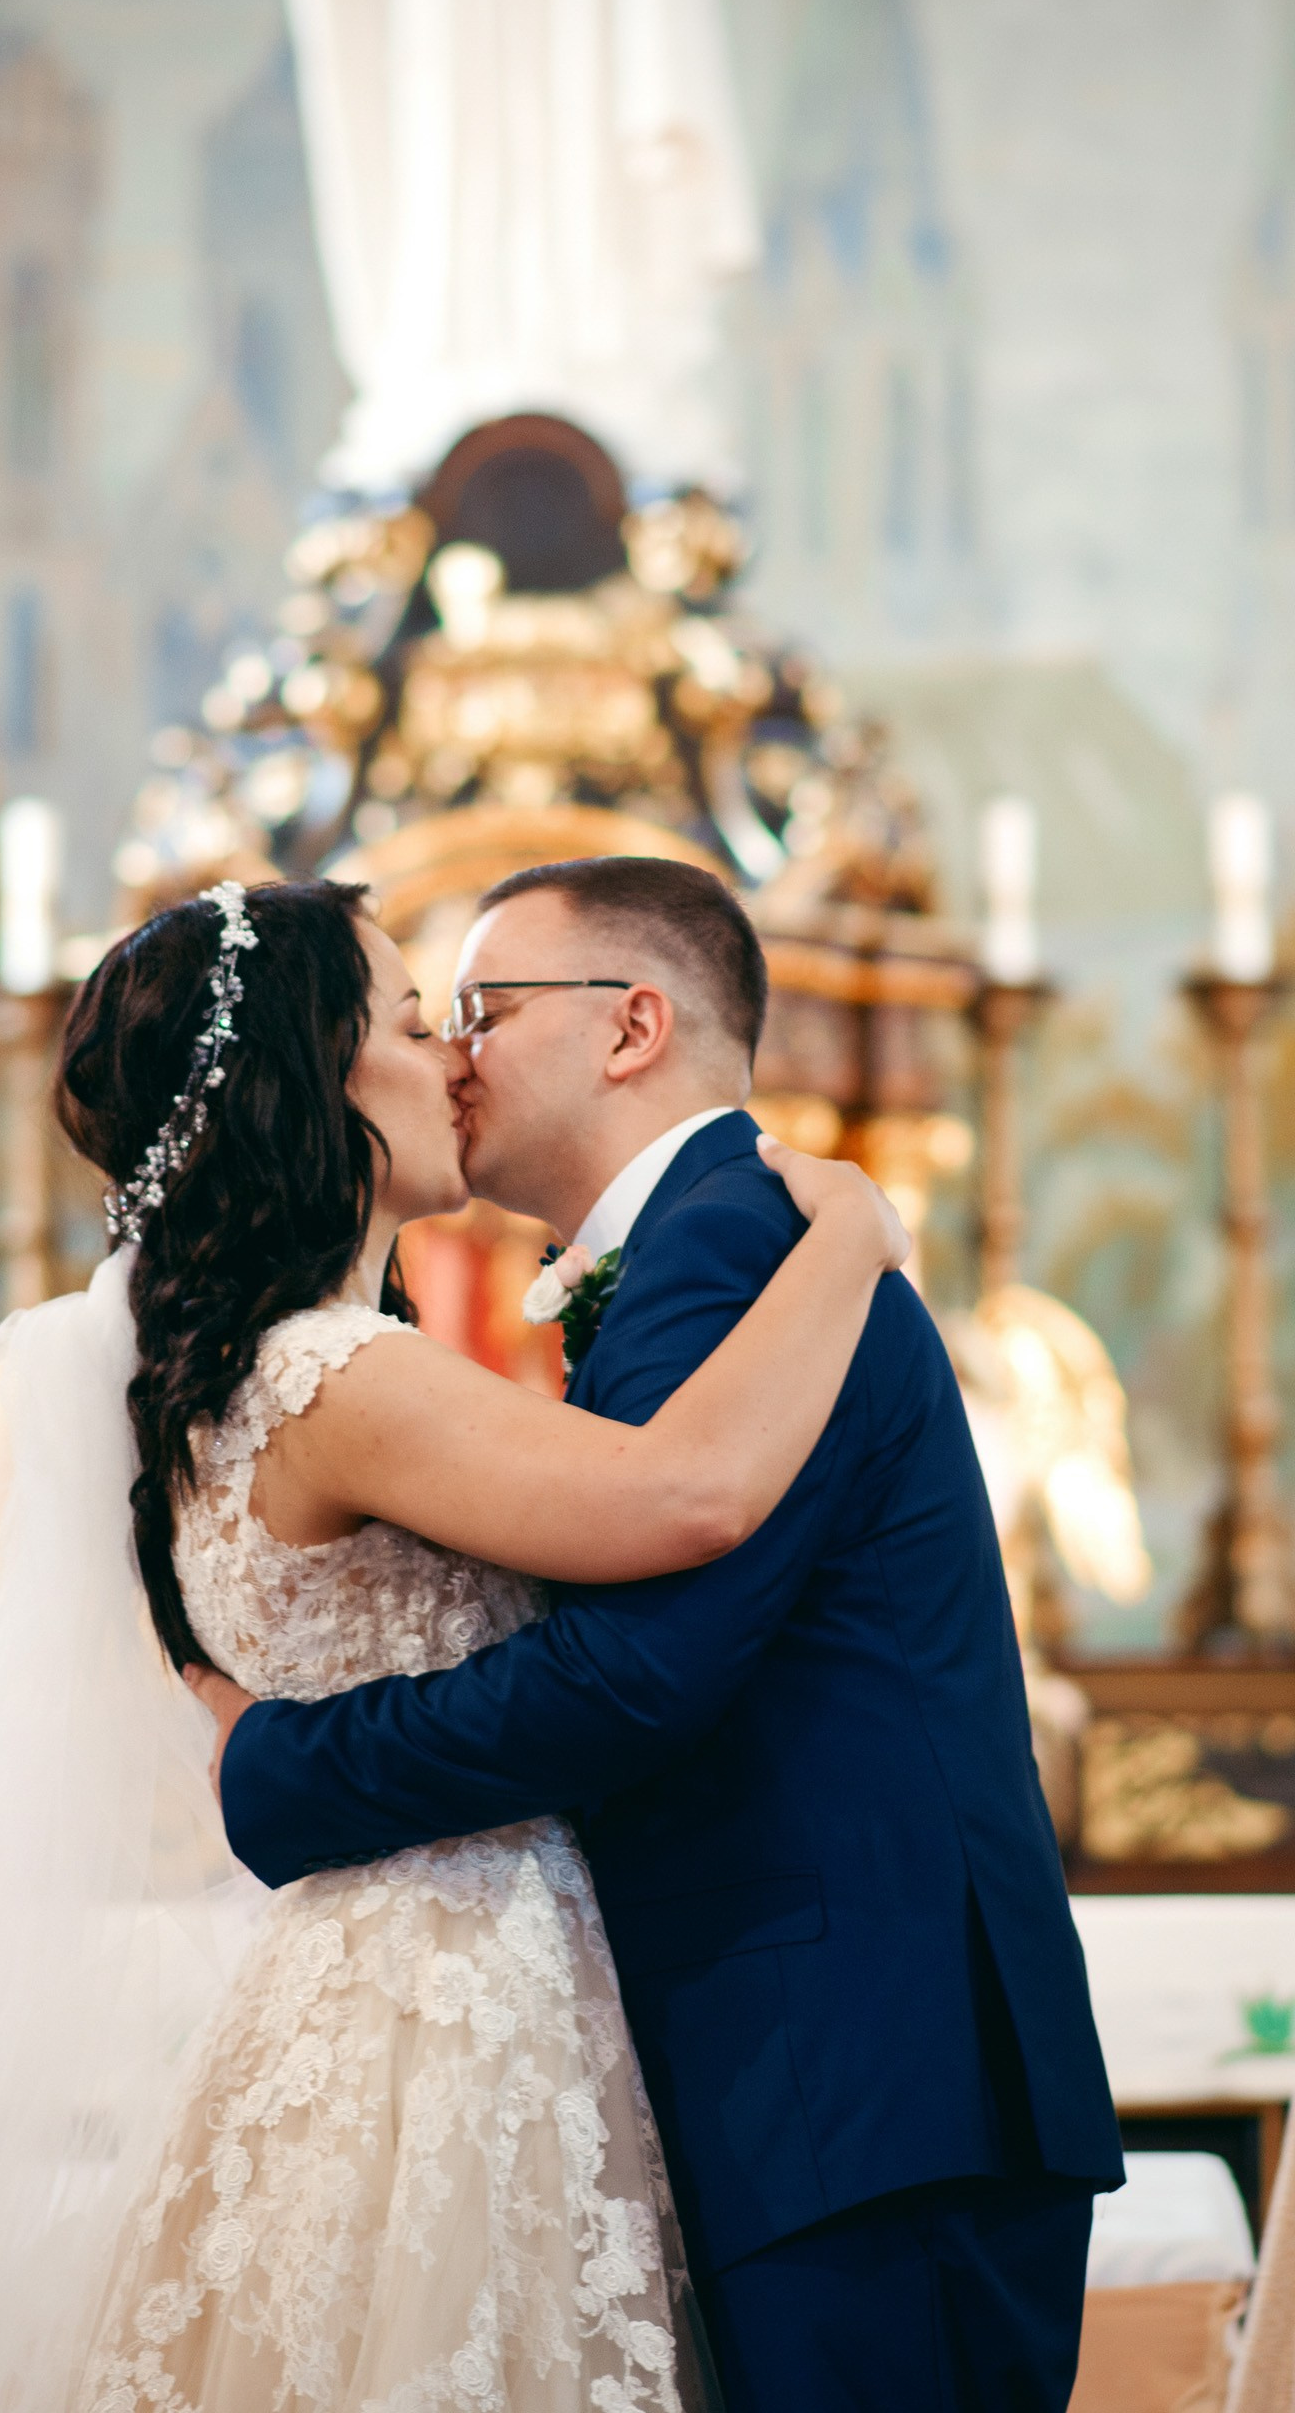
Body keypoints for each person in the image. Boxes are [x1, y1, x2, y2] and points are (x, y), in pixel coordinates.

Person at [0, 874, 900, 2413]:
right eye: (418, 1023)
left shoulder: (235, 1378)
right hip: (444, 2001)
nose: (457, 1059)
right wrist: (854, 1241)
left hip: (384, 1971)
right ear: (309, 1086)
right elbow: (686, 1494)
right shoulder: (338, 1374)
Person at [191, 855, 1127, 2413]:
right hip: (841, 2071)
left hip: (852, 2073)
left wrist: (279, 1762)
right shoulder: (718, 1246)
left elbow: (641, 1674)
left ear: (632, 1028)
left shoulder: (728, 1245)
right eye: (435, 1019)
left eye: (483, 1008)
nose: (455, 1052)